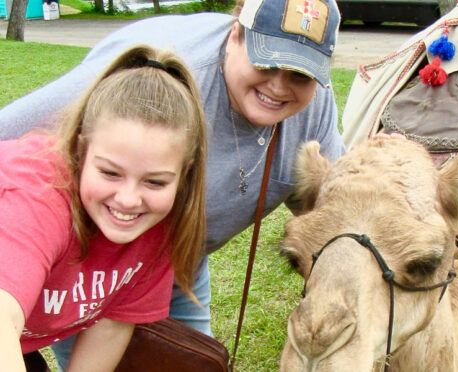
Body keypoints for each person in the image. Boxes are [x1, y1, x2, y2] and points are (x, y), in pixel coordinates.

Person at [0, 0, 346, 368]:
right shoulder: (146, 87)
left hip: (155, 255)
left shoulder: (156, 221)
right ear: (235, 37)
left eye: (299, 74)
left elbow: (343, 210)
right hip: (48, 255)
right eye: (267, 62)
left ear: (186, 177)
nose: (278, 86)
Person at [0, 45, 207, 371]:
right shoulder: (37, 198)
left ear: (184, 175)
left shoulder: (159, 223)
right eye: (110, 173)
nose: (128, 199)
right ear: (81, 151)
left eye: (155, 182)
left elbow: (110, 325)